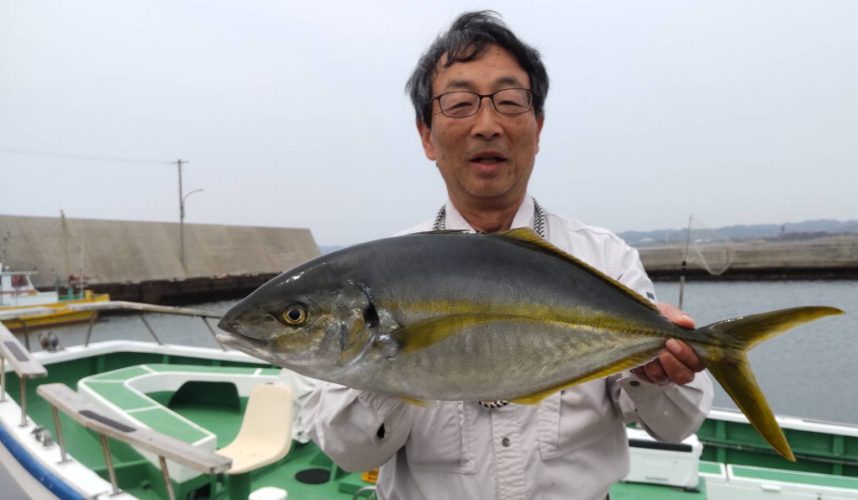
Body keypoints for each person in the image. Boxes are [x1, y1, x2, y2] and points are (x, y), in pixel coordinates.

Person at [299, 11, 713, 500]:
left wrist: (657, 367)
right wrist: (390, 354)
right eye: (458, 103)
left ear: (537, 127)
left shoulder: (604, 259)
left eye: (510, 101)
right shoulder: (381, 275)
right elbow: (351, 453)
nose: (488, 125)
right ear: (426, 135)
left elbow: (678, 425)